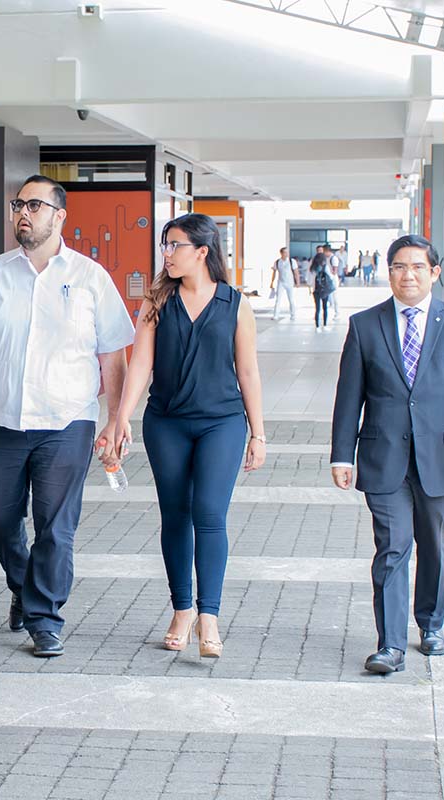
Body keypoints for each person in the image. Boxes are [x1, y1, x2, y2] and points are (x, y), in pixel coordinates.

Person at [0, 175, 135, 658]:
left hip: (66, 421)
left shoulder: (91, 277)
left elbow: (113, 355)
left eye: (34, 204)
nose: (22, 213)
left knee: (56, 525)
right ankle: (26, 585)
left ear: (59, 216)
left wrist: (116, 420)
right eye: (17, 204)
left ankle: (45, 618)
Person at [330, 234, 444, 674]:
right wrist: (341, 455)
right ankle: (391, 645)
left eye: (418, 267)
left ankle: (432, 624)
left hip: (441, 457)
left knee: (434, 545)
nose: (408, 275)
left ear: (434, 273)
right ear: (389, 272)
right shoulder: (365, 325)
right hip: (384, 458)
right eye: (400, 266)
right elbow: (349, 397)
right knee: (392, 547)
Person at [104, 213, 265, 659]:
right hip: (167, 423)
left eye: (174, 245)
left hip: (222, 423)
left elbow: (247, 370)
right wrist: (121, 417)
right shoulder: (156, 299)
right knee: (175, 515)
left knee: (209, 513)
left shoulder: (235, 303)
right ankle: (182, 609)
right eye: (164, 246)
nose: (166, 254)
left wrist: (259, 433)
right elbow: (141, 364)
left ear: (202, 251)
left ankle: (209, 616)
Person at [269, 246, 299, 321]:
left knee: (291, 299)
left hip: (290, 282)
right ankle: (276, 315)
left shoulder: (292, 261)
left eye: (287, 252)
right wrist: (272, 282)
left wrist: (297, 282)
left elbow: (296, 272)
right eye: (285, 252)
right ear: (281, 253)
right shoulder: (277, 262)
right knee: (278, 299)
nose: (286, 254)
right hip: (281, 282)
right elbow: (274, 272)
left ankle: (293, 315)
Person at [311, 253, 332, 332]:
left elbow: (309, 279)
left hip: (315, 290)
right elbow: (330, 276)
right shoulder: (325, 267)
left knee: (317, 308)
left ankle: (317, 326)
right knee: (325, 308)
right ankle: (325, 325)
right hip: (324, 290)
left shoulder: (312, 268)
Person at [327, 245, 342, 319]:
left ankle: (337, 313)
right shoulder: (327, 258)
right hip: (328, 279)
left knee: (335, 296)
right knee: (329, 297)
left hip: (333, 280)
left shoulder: (333, 258)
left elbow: (335, 271)